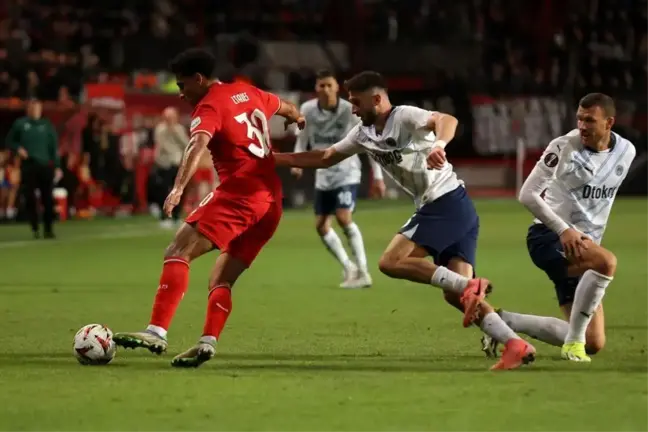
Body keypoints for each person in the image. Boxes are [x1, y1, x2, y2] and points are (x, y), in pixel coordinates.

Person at [274, 71, 536, 370]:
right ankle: (515, 344)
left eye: (357, 103)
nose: (354, 110)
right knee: (455, 297)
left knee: (390, 262)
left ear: (376, 99)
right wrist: (275, 159)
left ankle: (470, 284)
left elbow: (446, 120)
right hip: (454, 208)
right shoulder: (363, 133)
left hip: (445, 203)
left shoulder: (405, 116)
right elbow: (325, 157)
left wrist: (439, 146)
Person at [113, 48, 305, 368]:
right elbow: (287, 108)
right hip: (271, 202)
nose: (181, 93)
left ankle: (156, 331)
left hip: (240, 193)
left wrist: (177, 188)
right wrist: (298, 117)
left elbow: (196, 144)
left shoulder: (210, 104)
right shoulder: (248, 91)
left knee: (177, 250)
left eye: (182, 85)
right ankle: (206, 341)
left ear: (199, 79)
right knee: (221, 279)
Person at [480, 93, 635, 363]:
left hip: (584, 245)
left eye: (590, 120)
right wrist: (564, 229)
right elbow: (527, 194)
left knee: (594, 342)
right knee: (606, 263)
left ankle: (503, 323)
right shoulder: (563, 146)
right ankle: (571, 344)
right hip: (549, 236)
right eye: (579, 119)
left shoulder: (626, 152)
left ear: (609, 122)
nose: (582, 126)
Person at [291, 69, 385, 289]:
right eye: (321, 85)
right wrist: (296, 161)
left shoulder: (349, 111)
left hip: (347, 171)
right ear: (316, 88)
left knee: (343, 217)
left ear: (336, 88)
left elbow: (369, 142)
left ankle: (363, 271)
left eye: (329, 85)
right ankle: (348, 266)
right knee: (322, 225)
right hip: (323, 174)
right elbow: (302, 139)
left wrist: (378, 177)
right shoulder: (307, 110)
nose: (325, 90)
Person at [5, 100, 62, 238]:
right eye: (32, 108)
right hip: (29, 165)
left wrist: (57, 166)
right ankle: (34, 226)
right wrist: (18, 148)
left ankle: (48, 229)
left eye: (37, 108)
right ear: (28, 110)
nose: (35, 110)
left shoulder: (46, 125)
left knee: (47, 198)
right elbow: (9, 141)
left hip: (45, 165)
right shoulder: (20, 124)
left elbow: (53, 147)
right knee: (29, 197)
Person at [154, 107, 190, 228]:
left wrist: (174, 131)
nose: (169, 119)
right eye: (167, 117)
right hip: (165, 163)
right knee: (164, 190)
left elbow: (186, 143)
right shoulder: (160, 129)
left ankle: (176, 216)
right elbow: (162, 146)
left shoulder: (179, 129)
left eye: (172, 116)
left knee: (179, 190)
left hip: (178, 164)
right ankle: (164, 216)